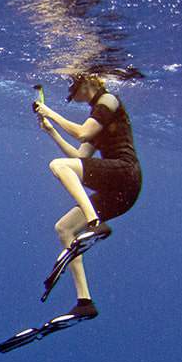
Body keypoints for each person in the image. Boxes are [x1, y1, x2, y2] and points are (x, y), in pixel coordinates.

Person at [32, 73, 142, 320]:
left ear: (89, 81)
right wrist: (52, 132)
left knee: (58, 166)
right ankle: (85, 301)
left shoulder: (110, 100)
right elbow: (79, 157)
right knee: (64, 229)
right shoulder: (97, 115)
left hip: (125, 175)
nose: (73, 92)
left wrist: (52, 114)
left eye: (74, 86)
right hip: (119, 191)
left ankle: (94, 223)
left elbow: (82, 134)